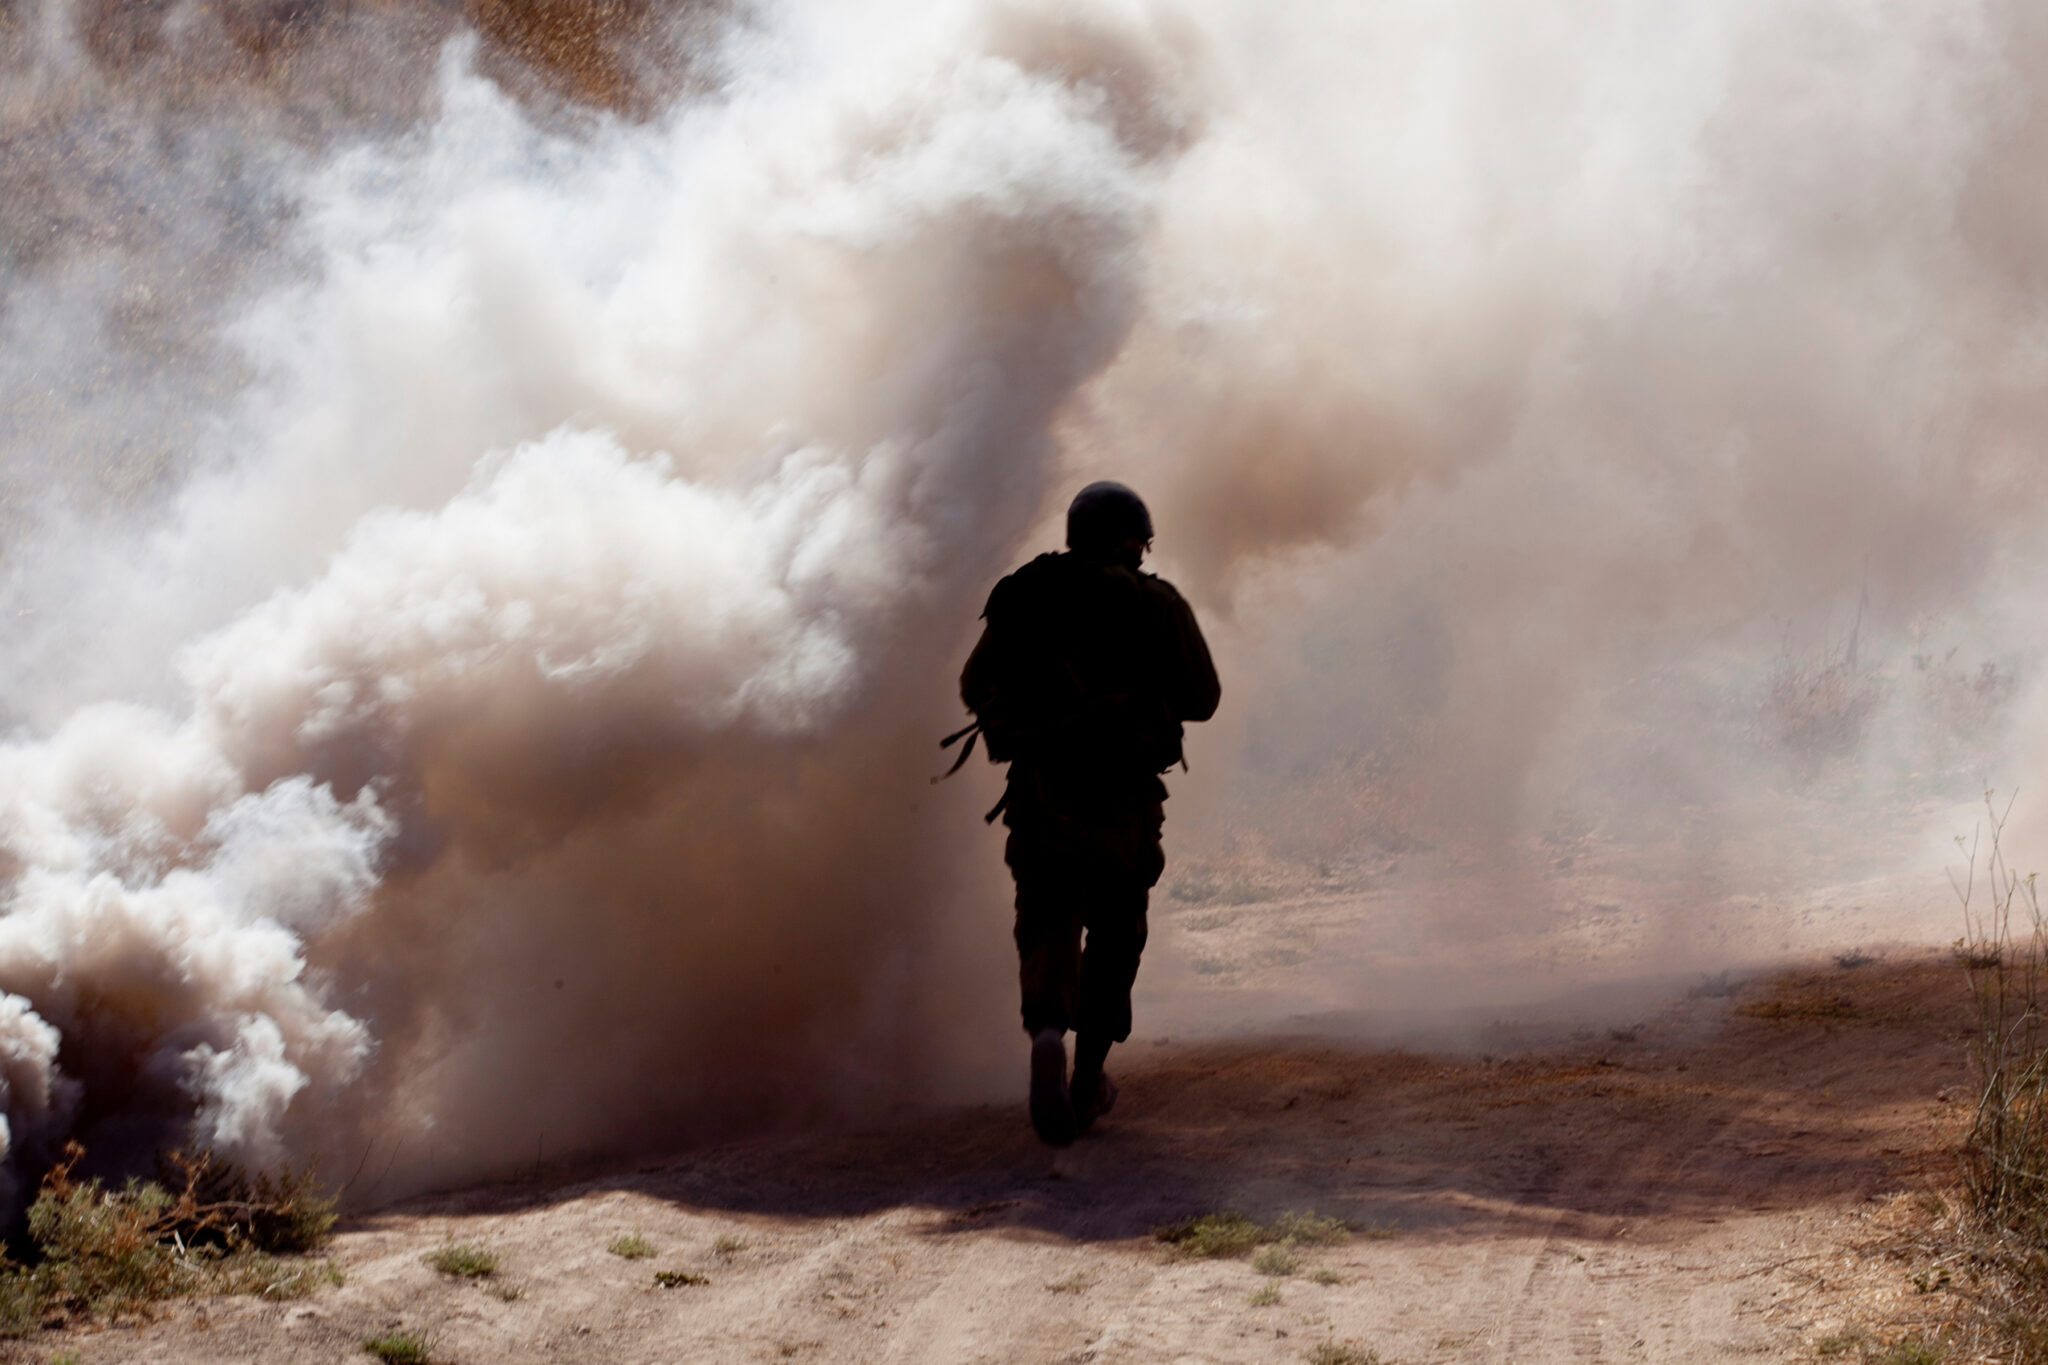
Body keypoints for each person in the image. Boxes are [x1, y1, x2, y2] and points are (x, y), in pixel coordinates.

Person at [953, 481, 1220, 1146]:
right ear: (1134, 539)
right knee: (1115, 931)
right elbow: (1203, 697)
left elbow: (972, 684)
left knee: (1047, 916)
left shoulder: (1024, 591)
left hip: (1043, 791)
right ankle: (1090, 1073)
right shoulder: (1155, 602)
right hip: (1125, 800)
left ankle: (1048, 1032)